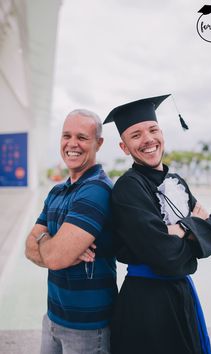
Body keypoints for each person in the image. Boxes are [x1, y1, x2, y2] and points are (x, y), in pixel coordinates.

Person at [103, 95, 211, 354]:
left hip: (182, 295)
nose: (148, 139)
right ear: (124, 147)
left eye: (153, 130)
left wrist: (178, 230)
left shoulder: (177, 181)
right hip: (146, 304)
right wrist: (191, 229)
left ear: (162, 134)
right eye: (135, 135)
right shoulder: (128, 188)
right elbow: (165, 256)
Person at [25, 109, 117, 354]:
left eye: (82, 137)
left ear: (99, 143)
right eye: (66, 136)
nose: (72, 144)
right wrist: (52, 243)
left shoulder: (97, 190)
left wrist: (45, 241)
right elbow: (29, 248)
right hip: (53, 317)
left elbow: (55, 258)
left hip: (88, 327)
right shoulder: (57, 191)